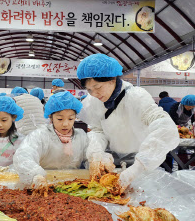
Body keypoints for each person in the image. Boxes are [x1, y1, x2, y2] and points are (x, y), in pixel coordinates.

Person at [76, 53, 179, 192]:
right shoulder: (94, 101)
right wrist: (95, 152)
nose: (94, 94)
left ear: (112, 80)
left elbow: (164, 127)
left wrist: (138, 167)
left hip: (141, 166)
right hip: (112, 165)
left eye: (98, 87)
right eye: (89, 90)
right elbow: (97, 130)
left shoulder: (136, 96)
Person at [13, 91, 88, 188]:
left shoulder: (81, 136)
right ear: (51, 117)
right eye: (60, 119)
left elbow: (90, 155)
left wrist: (97, 160)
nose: (65, 124)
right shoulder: (40, 135)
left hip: (74, 185)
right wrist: (36, 175)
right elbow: (24, 156)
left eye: (70, 119)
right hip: (45, 184)